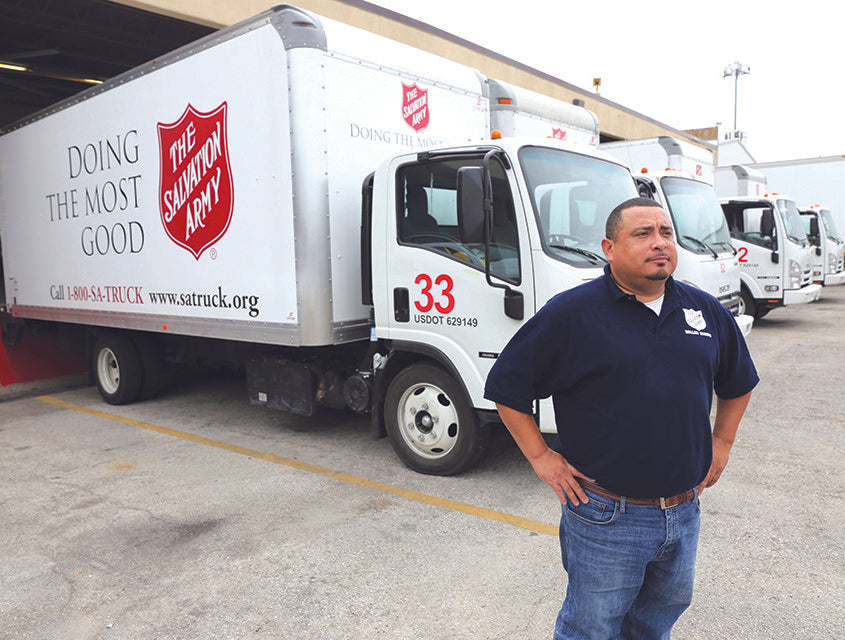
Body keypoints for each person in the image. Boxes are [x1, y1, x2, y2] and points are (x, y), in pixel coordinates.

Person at [484, 197, 758, 640]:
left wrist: (722, 443)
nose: (659, 243)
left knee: (655, 624)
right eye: (642, 234)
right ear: (609, 248)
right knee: (591, 627)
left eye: (665, 233)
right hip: (605, 514)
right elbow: (506, 387)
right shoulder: (572, 313)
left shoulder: (704, 311)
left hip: (683, 511)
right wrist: (540, 457)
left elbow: (738, 381)